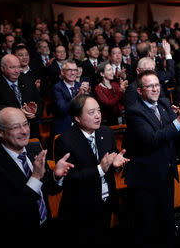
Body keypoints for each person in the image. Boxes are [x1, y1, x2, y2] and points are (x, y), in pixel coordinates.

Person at [123, 70, 180, 248]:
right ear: (140, 91)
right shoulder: (134, 111)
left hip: (166, 172)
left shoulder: (164, 103)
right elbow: (153, 140)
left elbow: (176, 133)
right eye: (150, 86)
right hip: (145, 178)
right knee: (147, 227)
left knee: (167, 223)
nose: (155, 89)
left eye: (157, 85)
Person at [0, 107, 74, 247]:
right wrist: (36, 177)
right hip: (18, 236)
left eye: (25, 124)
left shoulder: (34, 149)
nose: (24, 131)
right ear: (0, 131)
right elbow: (11, 211)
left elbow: (50, 190)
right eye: (16, 127)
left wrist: (56, 176)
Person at [54, 94, 129, 246]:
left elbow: (112, 162)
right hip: (81, 210)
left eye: (99, 111)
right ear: (77, 118)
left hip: (106, 204)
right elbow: (71, 178)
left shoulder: (106, 133)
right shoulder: (65, 140)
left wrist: (116, 165)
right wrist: (100, 169)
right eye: (91, 112)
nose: (97, 116)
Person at [0, 54, 43, 139]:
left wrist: (34, 112)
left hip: (32, 131)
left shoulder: (27, 80)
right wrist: (18, 112)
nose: (17, 71)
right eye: (12, 67)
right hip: (10, 134)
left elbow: (39, 102)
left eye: (18, 67)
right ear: (2, 68)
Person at [52, 60, 90, 135]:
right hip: (64, 127)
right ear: (62, 72)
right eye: (69, 70)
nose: (73, 73)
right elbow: (63, 109)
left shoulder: (80, 85)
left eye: (75, 70)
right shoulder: (57, 88)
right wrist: (79, 96)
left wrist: (87, 93)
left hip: (81, 126)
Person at [93, 61, 128, 125]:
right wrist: (121, 91)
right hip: (107, 121)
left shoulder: (115, 84)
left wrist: (124, 89)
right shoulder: (98, 88)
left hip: (119, 118)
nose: (112, 72)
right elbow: (108, 104)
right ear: (102, 74)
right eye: (109, 70)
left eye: (112, 69)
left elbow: (123, 101)